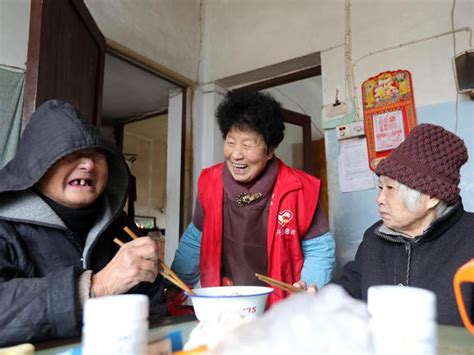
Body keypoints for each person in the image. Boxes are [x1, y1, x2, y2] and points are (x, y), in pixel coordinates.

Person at [0, 100, 166, 346]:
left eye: (97, 155)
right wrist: (95, 287)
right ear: (36, 165)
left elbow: (153, 312)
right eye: (70, 154)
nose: (88, 164)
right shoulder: (5, 226)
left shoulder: (121, 227)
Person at [171, 91, 335, 306]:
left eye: (247, 145)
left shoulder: (299, 189)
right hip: (227, 300)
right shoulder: (210, 183)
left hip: (282, 306)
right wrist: (175, 286)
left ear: (270, 151)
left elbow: (319, 249)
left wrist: (308, 286)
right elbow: (196, 237)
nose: (236, 154)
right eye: (230, 142)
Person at [334, 123, 473, 326]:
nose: (380, 199)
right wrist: (320, 299)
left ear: (432, 197)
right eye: (381, 187)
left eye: (391, 188)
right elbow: (349, 287)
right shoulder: (374, 237)